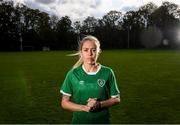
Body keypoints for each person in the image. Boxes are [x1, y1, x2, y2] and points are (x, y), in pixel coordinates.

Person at [60, 35, 120, 124]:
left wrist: (99, 104)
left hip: (102, 121)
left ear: (98, 52)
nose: (90, 53)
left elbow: (116, 99)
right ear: (81, 53)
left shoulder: (108, 72)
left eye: (94, 50)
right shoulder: (72, 74)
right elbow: (64, 103)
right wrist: (84, 108)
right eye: (86, 50)